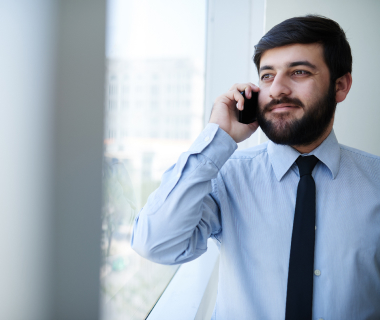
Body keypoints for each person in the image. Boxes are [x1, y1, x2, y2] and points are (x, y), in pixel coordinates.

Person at [131, 15, 380, 319]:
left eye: (299, 72)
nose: (277, 90)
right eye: (267, 76)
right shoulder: (227, 176)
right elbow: (155, 244)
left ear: (340, 86)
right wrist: (217, 137)